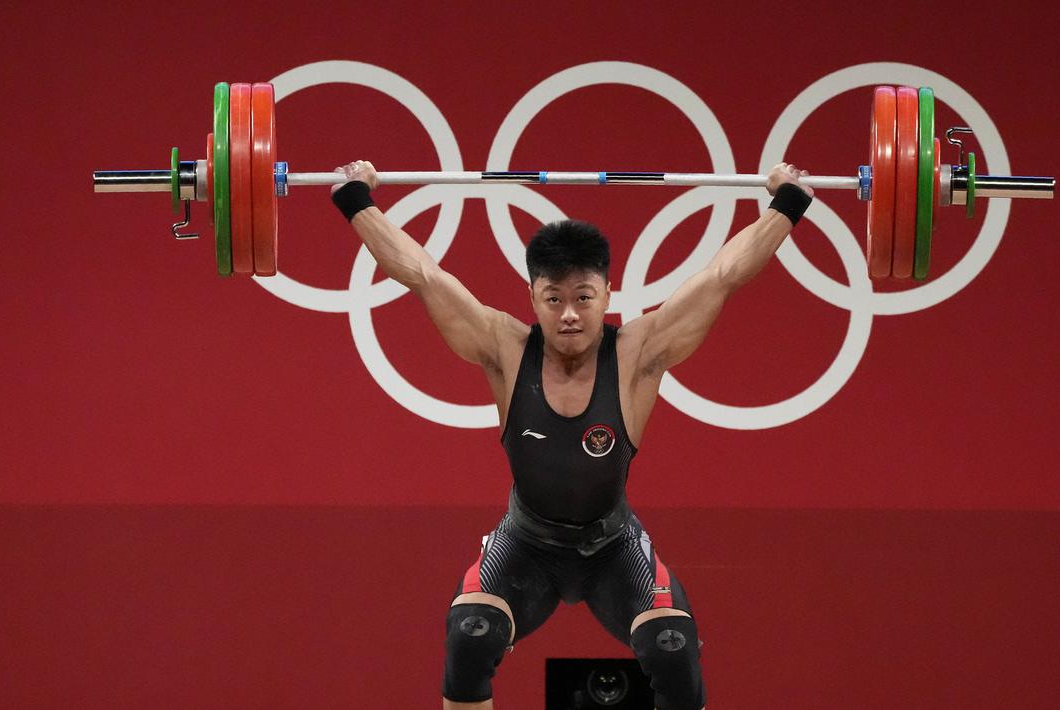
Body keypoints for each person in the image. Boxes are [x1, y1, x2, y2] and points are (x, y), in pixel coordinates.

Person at [330, 161, 814, 710]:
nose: (569, 315)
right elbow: (422, 273)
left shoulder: (638, 354)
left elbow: (723, 274)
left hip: (613, 547)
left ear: (608, 293)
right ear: (532, 297)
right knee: (470, 636)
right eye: (553, 298)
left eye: (583, 297)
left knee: (673, 650)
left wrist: (786, 204)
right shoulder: (505, 348)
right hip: (526, 545)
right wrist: (356, 200)